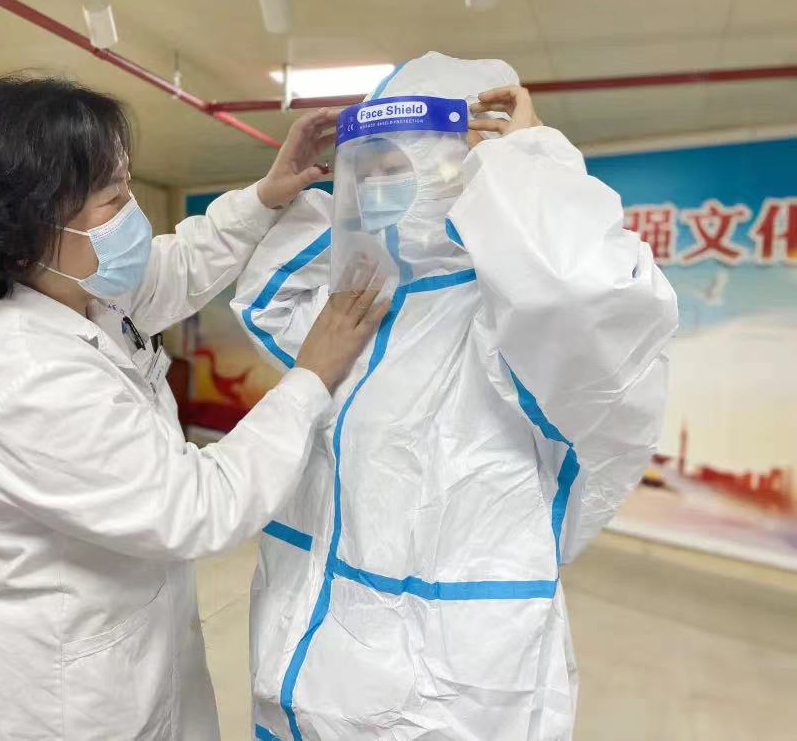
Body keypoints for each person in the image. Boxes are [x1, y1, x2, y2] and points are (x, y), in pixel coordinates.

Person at [0, 75, 388, 741]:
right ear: (25, 234)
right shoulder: (25, 374)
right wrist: (312, 376)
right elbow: (196, 506)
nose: (131, 215)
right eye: (112, 200)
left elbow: (175, 269)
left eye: (126, 187)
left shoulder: (71, 288)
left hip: (133, 648)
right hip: (67, 702)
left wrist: (265, 196)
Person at [232, 52, 678, 740]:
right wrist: (344, 217)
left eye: (403, 164)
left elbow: (588, 296)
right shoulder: (356, 306)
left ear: (473, 160)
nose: (383, 186)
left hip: (446, 707)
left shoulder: (512, 326)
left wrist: (529, 162)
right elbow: (263, 298)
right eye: (368, 169)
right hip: (298, 686)